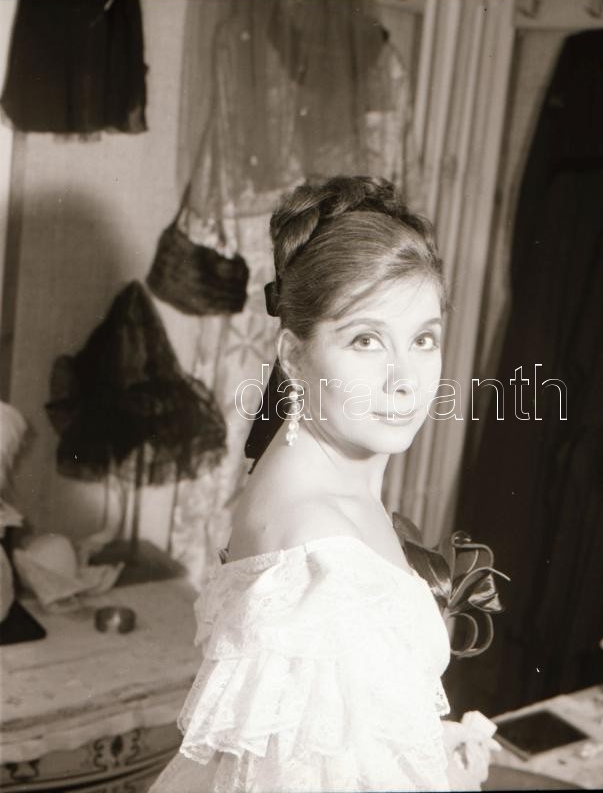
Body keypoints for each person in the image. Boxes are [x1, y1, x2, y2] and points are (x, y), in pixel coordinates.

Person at [149, 176, 499, 792]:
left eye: (423, 339)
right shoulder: (321, 551)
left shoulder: (306, 474)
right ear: (292, 355)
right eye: (366, 340)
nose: (405, 379)